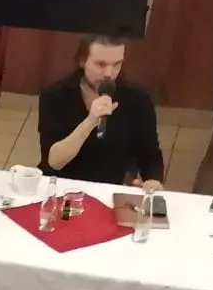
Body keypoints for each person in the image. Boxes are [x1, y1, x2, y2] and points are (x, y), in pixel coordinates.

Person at [37, 34, 165, 189]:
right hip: (62, 186)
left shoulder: (137, 98)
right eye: (101, 64)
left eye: (116, 64)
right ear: (82, 61)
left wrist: (153, 180)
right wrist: (90, 121)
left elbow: (150, 154)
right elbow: (54, 161)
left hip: (111, 188)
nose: (109, 73)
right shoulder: (55, 95)